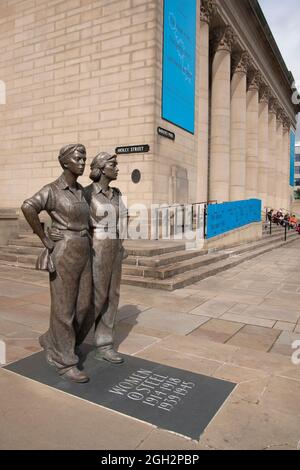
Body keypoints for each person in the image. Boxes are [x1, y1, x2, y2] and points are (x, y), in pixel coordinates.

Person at [21, 144, 92, 383]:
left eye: (84, 158)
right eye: (78, 158)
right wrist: (43, 236)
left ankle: (53, 339)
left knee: (84, 308)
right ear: (65, 163)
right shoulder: (52, 190)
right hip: (64, 252)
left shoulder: (81, 191)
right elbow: (28, 206)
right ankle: (64, 360)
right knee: (64, 309)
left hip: (84, 249)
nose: (82, 162)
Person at [84, 152, 127, 364]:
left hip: (114, 247)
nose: (117, 168)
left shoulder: (117, 194)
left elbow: (123, 220)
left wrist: (121, 244)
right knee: (95, 297)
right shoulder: (85, 194)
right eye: (113, 165)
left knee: (112, 295)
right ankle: (67, 339)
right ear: (101, 168)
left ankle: (105, 344)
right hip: (95, 247)